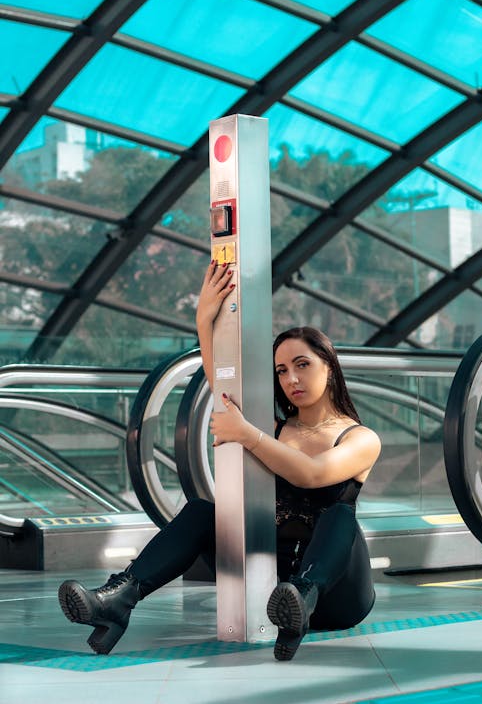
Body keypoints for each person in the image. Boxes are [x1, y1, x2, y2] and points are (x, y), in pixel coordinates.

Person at [58, 261, 380, 661]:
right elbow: (223, 388)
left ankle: (303, 598)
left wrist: (248, 434)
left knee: (338, 516)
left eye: (303, 365)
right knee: (201, 511)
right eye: (281, 371)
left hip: (339, 594)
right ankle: (118, 599)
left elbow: (313, 474)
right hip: (272, 587)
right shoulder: (274, 429)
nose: (291, 379)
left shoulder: (361, 438)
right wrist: (203, 319)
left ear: (329, 368)